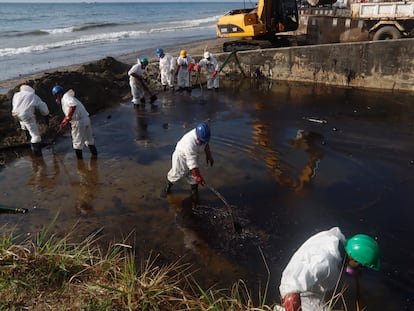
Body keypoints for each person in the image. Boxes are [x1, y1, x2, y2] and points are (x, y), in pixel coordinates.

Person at [278, 227, 380, 311]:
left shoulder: (337, 241)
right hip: (304, 295)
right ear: (355, 260)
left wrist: (351, 270)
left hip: (313, 285)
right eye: (362, 266)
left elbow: (344, 263)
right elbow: (291, 291)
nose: (362, 270)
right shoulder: (322, 262)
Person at [161, 122, 214, 199]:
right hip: (181, 157)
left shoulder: (203, 137)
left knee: (193, 177)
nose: (203, 142)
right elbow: (192, 163)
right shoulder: (190, 142)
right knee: (177, 174)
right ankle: (167, 187)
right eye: (201, 141)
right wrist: (198, 176)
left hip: (193, 155)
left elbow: (206, 144)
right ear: (197, 136)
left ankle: (194, 193)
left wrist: (209, 156)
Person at [51, 85, 98, 160]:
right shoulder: (68, 97)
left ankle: (80, 165)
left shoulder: (66, 98)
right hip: (86, 119)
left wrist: (68, 118)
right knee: (89, 140)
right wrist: (64, 120)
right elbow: (71, 111)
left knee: (77, 144)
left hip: (78, 122)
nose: (56, 99)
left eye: (56, 97)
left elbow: (73, 106)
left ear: (58, 95)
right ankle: (95, 158)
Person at [11, 84, 51, 156]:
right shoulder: (32, 96)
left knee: (24, 123)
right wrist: (46, 115)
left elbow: (17, 107)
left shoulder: (16, 95)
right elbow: (43, 107)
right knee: (36, 136)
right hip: (26, 115)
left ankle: (27, 138)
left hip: (16, 114)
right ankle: (37, 156)